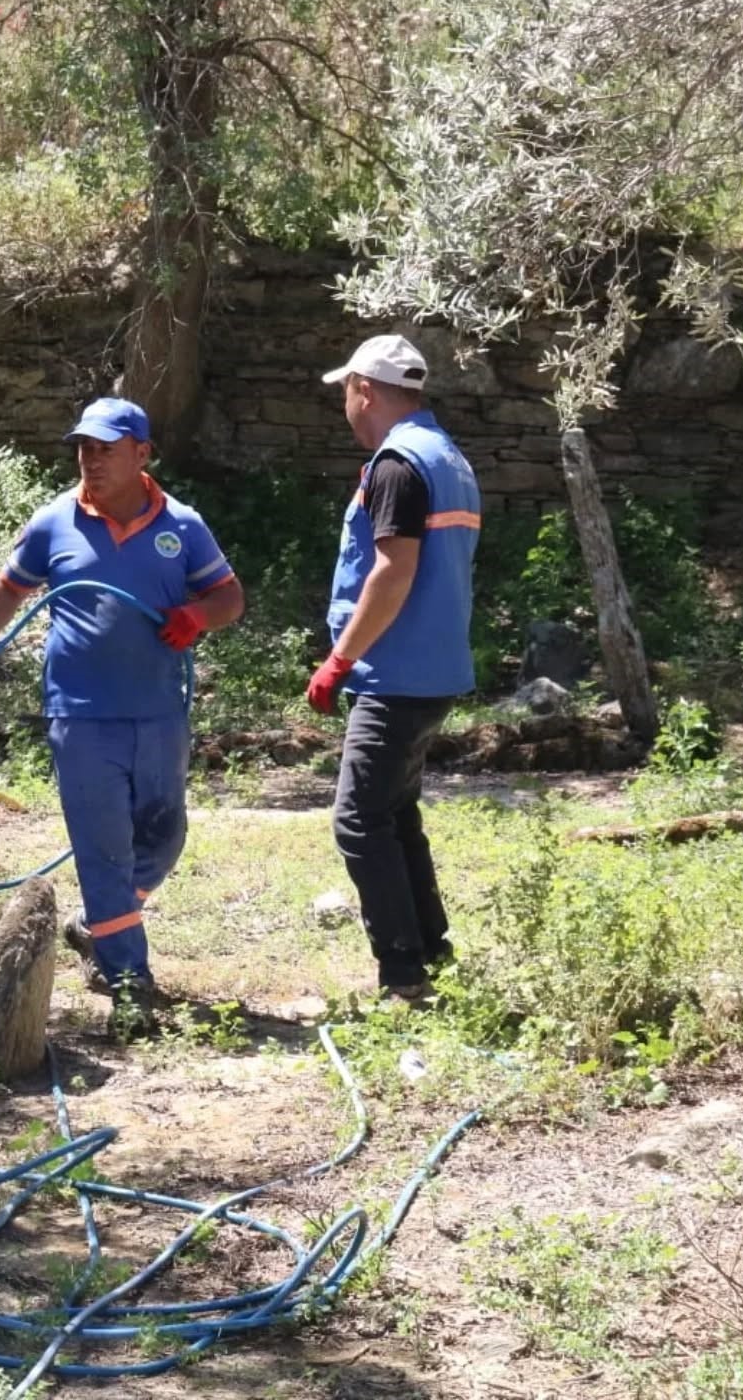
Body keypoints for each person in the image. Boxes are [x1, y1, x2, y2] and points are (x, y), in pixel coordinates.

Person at [0, 397, 244, 1031]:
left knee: (164, 838)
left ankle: (98, 924)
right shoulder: (54, 522)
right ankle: (128, 980)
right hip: (80, 714)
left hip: (158, 711)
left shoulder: (184, 525)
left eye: (105, 449)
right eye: (83, 448)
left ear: (142, 454)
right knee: (103, 851)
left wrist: (197, 615)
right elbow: (7, 588)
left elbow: (229, 596)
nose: (90, 460)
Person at [306, 335, 480, 1002]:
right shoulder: (447, 456)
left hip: (395, 673)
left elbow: (393, 569)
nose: (345, 405)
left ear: (366, 390)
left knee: (358, 821)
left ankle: (405, 975)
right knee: (395, 816)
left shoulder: (398, 464)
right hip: (433, 668)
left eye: (346, 392)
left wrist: (339, 660)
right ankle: (432, 954)